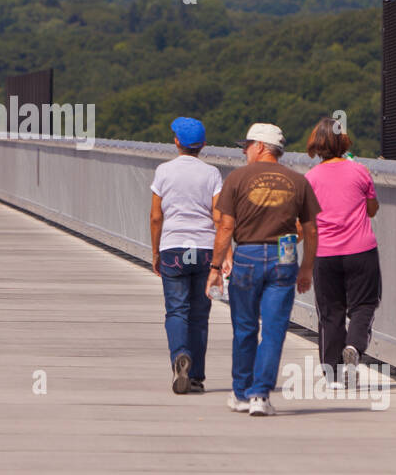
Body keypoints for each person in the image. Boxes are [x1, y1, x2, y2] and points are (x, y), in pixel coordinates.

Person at [206, 123, 319, 416]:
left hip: (248, 252)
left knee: (245, 327)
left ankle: (241, 393)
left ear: (260, 147)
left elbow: (225, 226)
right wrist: (306, 269)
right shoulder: (298, 180)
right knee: (274, 329)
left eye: (247, 146)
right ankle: (260, 395)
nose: (244, 151)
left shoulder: (237, 178)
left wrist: (216, 266)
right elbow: (311, 229)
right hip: (285, 252)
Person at [304, 117, 381, 382]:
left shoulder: (310, 178)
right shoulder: (359, 170)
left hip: (325, 254)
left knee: (330, 312)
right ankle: (355, 346)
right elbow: (372, 209)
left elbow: (305, 223)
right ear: (343, 141)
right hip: (361, 250)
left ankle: (333, 374)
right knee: (365, 303)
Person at [150, 117, 223, 394]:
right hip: (203, 250)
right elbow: (218, 217)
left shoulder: (163, 172)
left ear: (177, 142)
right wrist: (222, 253)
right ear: (202, 144)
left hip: (174, 249)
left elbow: (156, 216)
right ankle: (195, 377)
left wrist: (156, 252)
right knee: (200, 314)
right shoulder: (213, 173)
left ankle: (180, 355)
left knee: (177, 310)